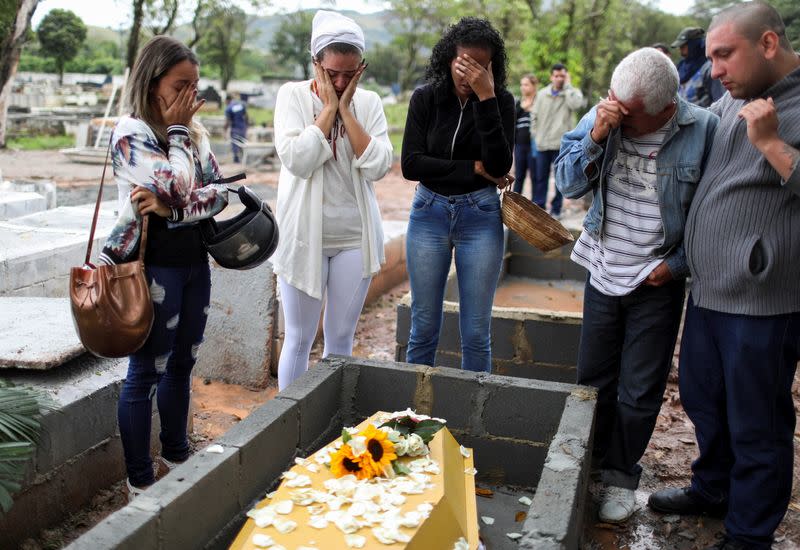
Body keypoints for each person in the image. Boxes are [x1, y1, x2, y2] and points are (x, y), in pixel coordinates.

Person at [647, 3, 800, 549]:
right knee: (704, 397)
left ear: (765, 44)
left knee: (758, 421)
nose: (713, 69)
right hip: (711, 290)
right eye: (710, 56)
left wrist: (770, 143)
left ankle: (749, 533)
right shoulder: (735, 100)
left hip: (763, 300)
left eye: (722, 55)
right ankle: (714, 489)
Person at [554, 47, 718, 524]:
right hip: (603, 267)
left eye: (632, 118)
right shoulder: (605, 114)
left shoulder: (704, 130)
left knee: (640, 389)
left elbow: (712, 212)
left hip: (656, 279)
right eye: (615, 108)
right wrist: (597, 134)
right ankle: (588, 463)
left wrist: (678, 264)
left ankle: (622, 476)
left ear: (668, 107)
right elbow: (567, 185)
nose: (621, 121)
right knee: (593, 379)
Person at [98, 36, 229, 499]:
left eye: (196, 85)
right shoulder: (131, 132)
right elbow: (175, 184)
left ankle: (176, 455)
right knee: (146, 371)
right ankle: (140, 480)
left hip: (193, 262)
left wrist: (173, 210)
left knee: (183, 363)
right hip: (150, 269)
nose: (191, 96)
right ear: (153, 84)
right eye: (181, 84)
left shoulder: (195, 134)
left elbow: (218, 193)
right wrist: (176, 138)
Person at [272, 11, 393, 391]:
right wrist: (327, 110)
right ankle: (287, 427)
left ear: (362, 68)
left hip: (354, 239)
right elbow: (298, 160)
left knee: (340, 340)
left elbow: (378, 165)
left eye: (350, 74)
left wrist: (345, 110)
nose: (341, 82)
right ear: (316, 64)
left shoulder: (369, 104)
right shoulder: (291, 96)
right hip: (303, 237)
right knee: (299, 338)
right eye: (333, 73)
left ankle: (331, 423)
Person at [401, 17, 515, 373]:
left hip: (480, 217)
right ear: (448, 60)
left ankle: (474, 420)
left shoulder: (502, 102)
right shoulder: (426, 98)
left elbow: (499, 163)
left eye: (479, 67)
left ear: (492, 68)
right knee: (423, 328)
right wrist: (472, 169)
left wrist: (486, 97)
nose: (469, 74)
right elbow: (411, 164)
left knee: (477, 332)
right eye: (463, 64)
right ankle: (411, 418)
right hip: (429, 213)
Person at [531, 63, 584, 217]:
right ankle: (539, 208)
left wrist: (568, 87)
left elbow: (576, 105)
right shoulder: (541, 94)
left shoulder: (572, 93)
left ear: (566, 76)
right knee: (540, 178)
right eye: (556, 76)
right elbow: (533, 116)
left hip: (562, 145)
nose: (559, 79)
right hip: (542, 144)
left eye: (562, 76)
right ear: (551, 77)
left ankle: (556, 209)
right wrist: (535, 135)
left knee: (560, 179)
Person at [672, 26, 725, 107]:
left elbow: (720, 100)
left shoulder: (709, 68)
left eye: (683, 46)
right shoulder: (681, 66)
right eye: (680, 47)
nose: (680, 50)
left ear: (693, 45)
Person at [513, 74, 538, 198]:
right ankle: (514, 204)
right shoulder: (518, 103)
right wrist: (523, 108)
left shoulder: (539, 102)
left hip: (535, 145)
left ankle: (535, 207)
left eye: (526, 84)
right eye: (522, 84)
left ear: (534, 86)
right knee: (519, 175)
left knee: (535, 176)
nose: (523, 87)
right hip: (520, 144)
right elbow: (512, 120)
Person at [224, 93, 249, 163]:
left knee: (235, 144)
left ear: (227, 100)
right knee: (242, 143)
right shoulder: (241, 105)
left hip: (235, 128)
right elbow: (246, 116)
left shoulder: (228, 108)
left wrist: (225, 129)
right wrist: (246, 125)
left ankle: (236, 160)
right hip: (242, 127)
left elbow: (228, 121)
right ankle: (244, 158)